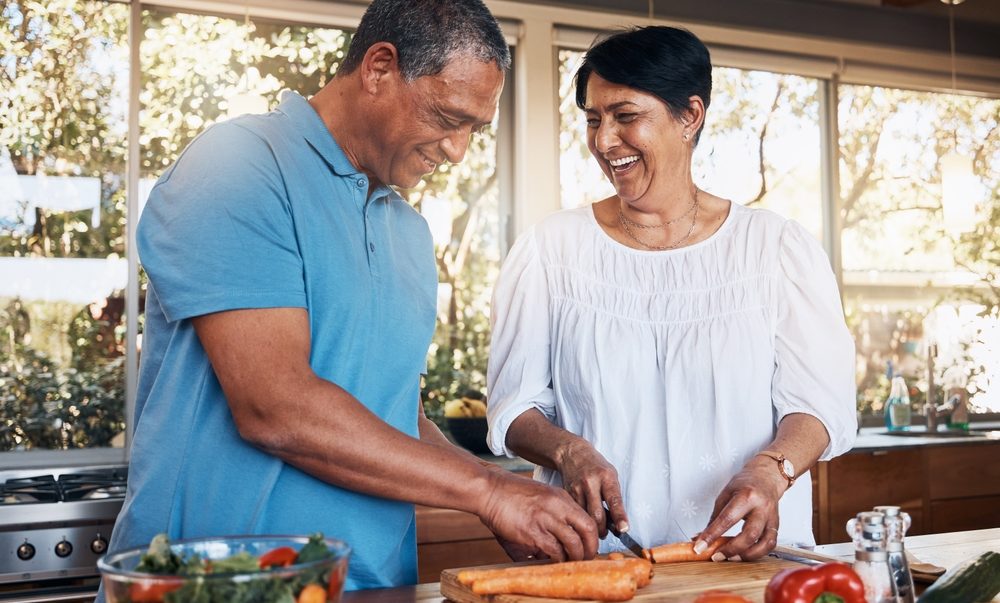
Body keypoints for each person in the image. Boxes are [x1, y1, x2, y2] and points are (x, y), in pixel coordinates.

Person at [103, 0, 597, 595]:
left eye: (475, 129)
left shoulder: (409, 234)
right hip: (214, 585)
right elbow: (274, 406)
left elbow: (395, 417)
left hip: (372, 585)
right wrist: (489, 490)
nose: (459, 150)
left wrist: (506, 499)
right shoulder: (239, 166)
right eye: (448, 117)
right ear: (379, 68)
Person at [486, 25, 857, 563]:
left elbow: (819, 404)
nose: (604, 140)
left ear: (690, 116)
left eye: (626, 116)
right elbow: (514, 407)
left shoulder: (775, 248)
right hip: (598, 564)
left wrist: (772, 470)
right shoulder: (551, 251)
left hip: (745, 562)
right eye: (593, 120)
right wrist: (569, 451)